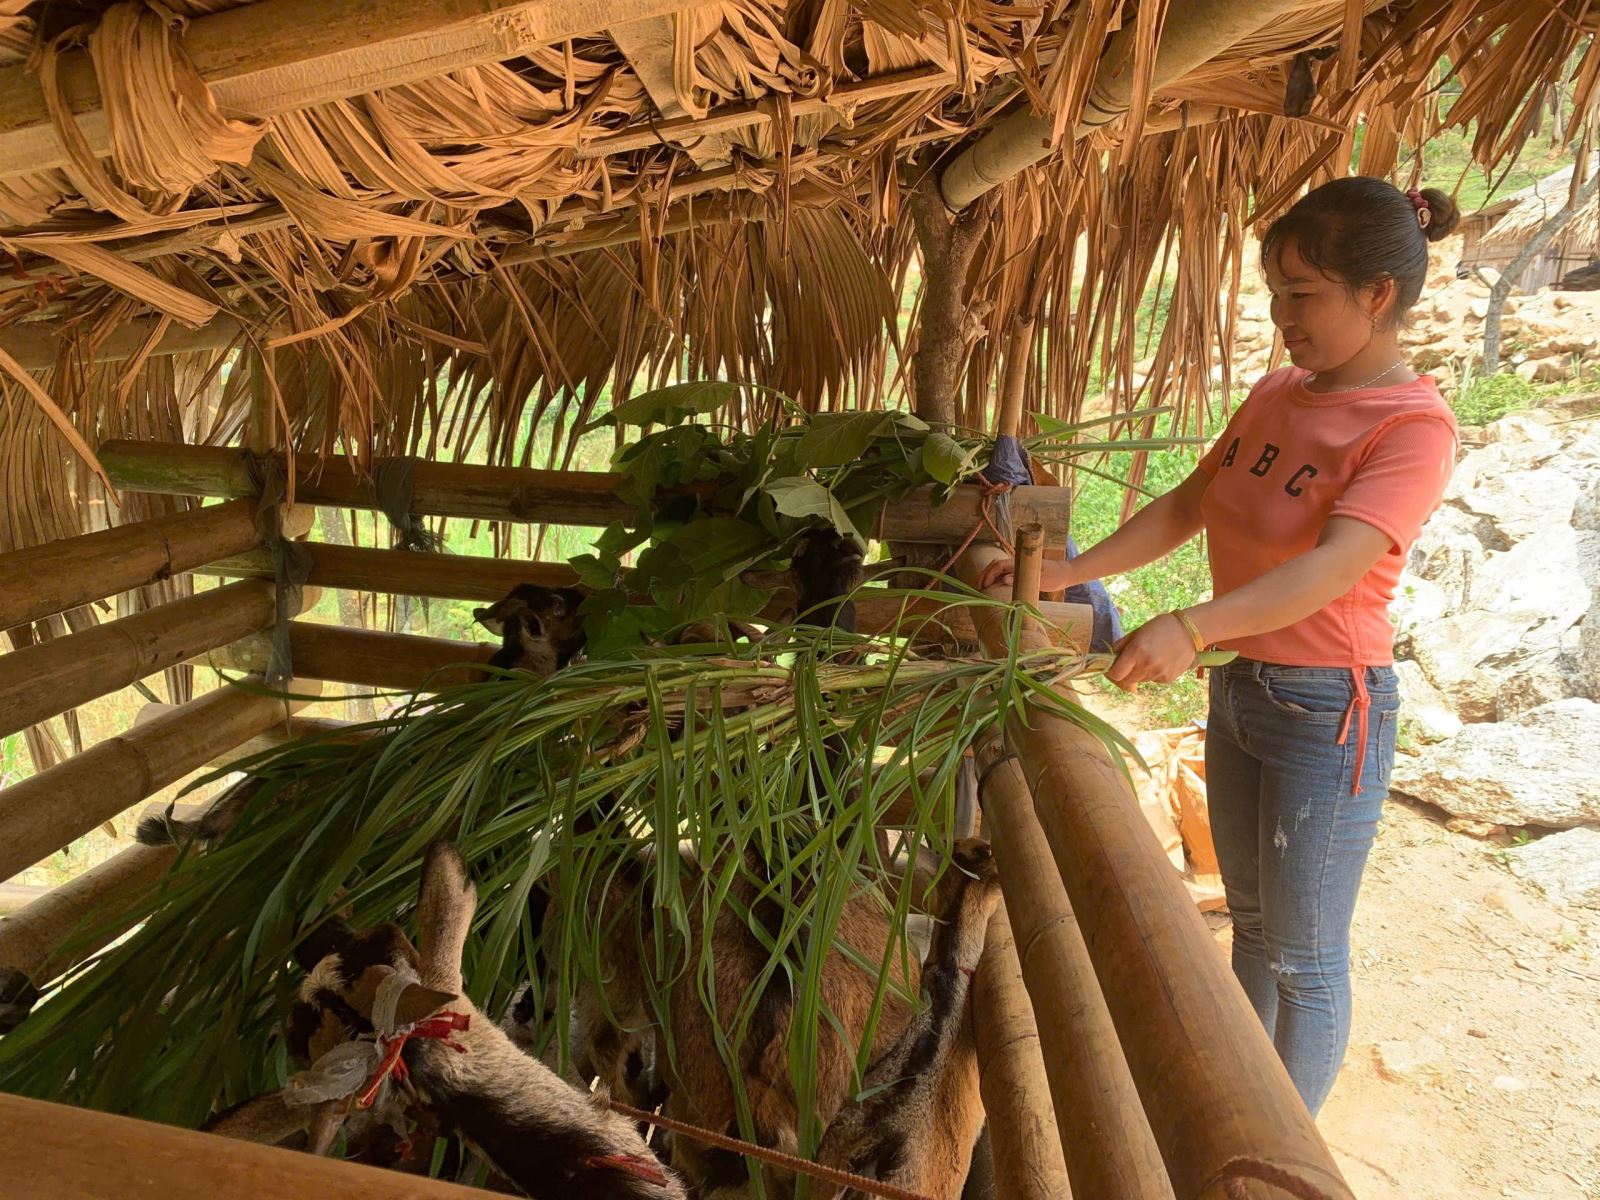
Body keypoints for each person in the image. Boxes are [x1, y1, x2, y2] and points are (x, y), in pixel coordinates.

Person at [980, 176, 1462, 1116]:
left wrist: (1192, 625)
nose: (1283, 316)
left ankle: (1285, 1149)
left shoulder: (1412, 427)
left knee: (1307, 956)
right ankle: (1234, 1113)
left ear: (1378, 295)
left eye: (1303, 294)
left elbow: (1334, 566)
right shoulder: (1280, 392)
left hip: (1329, 706)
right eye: (1276, 292)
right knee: (1250, 925)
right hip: (1247, 687)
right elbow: (1188, 504)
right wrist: (1059, 577)